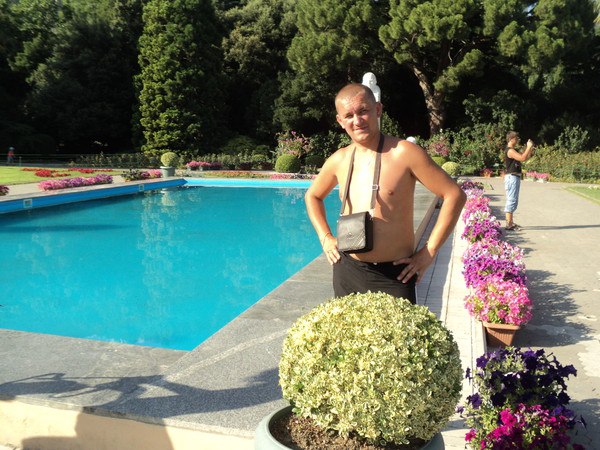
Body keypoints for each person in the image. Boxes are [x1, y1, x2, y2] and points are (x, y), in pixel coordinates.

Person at [305, 83, 466, 304]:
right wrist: (325, 238)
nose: (357, 121)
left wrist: (429, 251)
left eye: (363, 111)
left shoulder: (404, 153)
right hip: (347, 270)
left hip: (395, 275)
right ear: (340, 121)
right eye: (349, 115)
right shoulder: (339, 159)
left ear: (378, 109)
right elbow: (312, 196)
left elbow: (454, 195)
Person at [503, 131, 534, 231]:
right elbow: (522, 158)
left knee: (513, 200)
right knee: (511, 200)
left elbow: (524, 157)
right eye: (516, 138)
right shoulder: (510, 151)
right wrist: (528, 147)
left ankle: (510, 222)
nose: (517, 140)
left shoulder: (513, 150)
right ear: (511, 139)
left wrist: (530, 149)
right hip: (512, 177)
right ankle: (509, 224)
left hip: (513, 177)